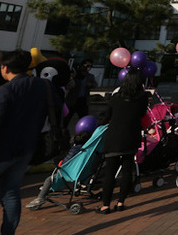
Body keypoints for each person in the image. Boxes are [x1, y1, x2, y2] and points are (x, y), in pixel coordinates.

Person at [0, 50, 49, 234]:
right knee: (11, 192)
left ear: (6, 68)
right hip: (27, 147)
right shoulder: (42, 86)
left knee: (10, 192)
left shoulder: (7, 90)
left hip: (4, 149)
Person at [99, 68, 149, 214]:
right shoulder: (142, 97)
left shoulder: (115, 98)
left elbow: (107, 115)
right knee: (127, 170)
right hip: (131, 135)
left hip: (114, 136)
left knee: (110, 172)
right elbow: (142, 114)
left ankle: (105, 205)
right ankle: (121, 202)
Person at [25, 131, 91, 210]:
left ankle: (40, 198)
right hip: (83, 173)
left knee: (49, 179)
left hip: (69, 173)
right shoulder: (89, 150)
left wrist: (60, 164)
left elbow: (66, 162)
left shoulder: (74, 150)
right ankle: (46, 189)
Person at [65, 60, 96, 127]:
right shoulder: (76, 74)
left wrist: (91, 85)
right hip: (72, 100)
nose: (89, 68)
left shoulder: (90, 76)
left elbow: (95, 85)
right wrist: (73, 77)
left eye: (90, 66)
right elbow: (68, 85)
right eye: (87, 66)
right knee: (66, 119)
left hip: (83, 100)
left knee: (84, 119)